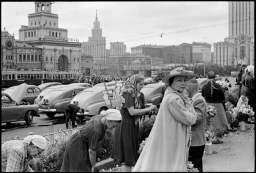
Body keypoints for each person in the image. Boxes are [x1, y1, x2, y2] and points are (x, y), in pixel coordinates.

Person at [132, 67, 198, 172]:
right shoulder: (174, 99)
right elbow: (190, 119)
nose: (183, 83)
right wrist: (189, 102)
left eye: (185, 80)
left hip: (172, 136)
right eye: (179, 80)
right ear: (171, 83)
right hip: (173, 138)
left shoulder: (174, 96)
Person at [111, 74, 157, 172]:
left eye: (143, 84)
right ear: (134, 83)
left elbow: (142, 109)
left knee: (133, 151)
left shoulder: (140, 95)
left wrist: (150, 109)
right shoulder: (127, 93)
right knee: (129, 154)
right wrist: (148, 109)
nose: (142, 86)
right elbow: (132, 112)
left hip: (134, 125)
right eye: (140, 84)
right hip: (126, 126)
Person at [201, 71, 234, 144]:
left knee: (209, 122)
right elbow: (222, 96)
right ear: (215, 77)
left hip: (208, 105)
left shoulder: (204, 86)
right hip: (218, 105)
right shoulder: (218, 86)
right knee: (218, 122)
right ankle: (215, 138)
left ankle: (210, 137)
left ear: (207, 77)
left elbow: (202, 96)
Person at [186, 79, 207, 172]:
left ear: (190, 88)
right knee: (195, 166)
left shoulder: (198, 100)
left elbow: (197, 118)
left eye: (185, 88)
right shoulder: (195, 99)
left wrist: (183, 116)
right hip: (195, 140)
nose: (184, 91)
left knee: (194, 166)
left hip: (196, 140)